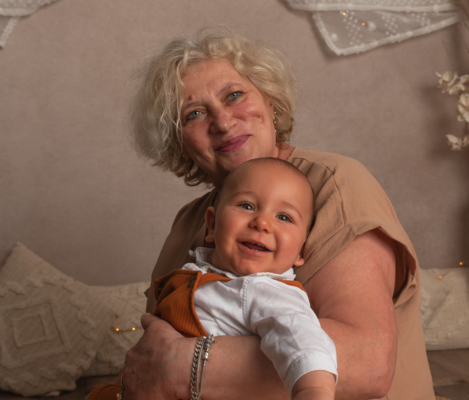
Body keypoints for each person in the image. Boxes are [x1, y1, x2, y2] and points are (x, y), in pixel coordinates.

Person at [116, 32, 435, 400]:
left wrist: (181, 366)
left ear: (271, 102)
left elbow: (367, 365)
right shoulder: (187, 223)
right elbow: (149, 361)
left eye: (234, 95)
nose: (222, 121)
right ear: (179, 142)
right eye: (195, 114)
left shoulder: (336, 184)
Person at [89, 158, 338, 400]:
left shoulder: (266, 290)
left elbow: (302, 339)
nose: (262, 222)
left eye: (284, 217)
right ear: (211, 224)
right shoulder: (205, 274)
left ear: (301, 252)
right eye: (247, 205)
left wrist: (312, 392)